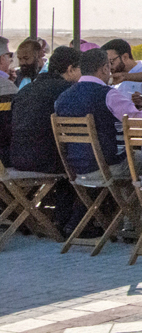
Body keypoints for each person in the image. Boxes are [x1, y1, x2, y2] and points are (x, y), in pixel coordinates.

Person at [10, 46, 81, 230]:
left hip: (16, 158)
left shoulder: (26, 89)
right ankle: (70, 222)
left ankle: (36, 219)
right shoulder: (67, 91)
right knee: (77, 164)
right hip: (45, 161)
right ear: (71, 68)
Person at [54, 48, 142, 180]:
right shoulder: (108, 95)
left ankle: (123, 200)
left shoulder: (63, 97)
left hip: (78, 169)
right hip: (110, 166)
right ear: (105, 68)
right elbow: (137, 120)